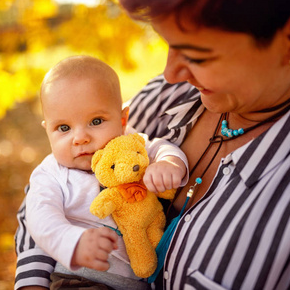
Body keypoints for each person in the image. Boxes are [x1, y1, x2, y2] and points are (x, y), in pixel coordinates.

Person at [15, 0, 290, 289]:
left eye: (197, 55)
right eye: (168, 43)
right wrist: (36, 276)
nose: (170, 73)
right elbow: (45, 194)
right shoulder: (168, 94)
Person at [24, 55, 188, 290]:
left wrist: (169, 163)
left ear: (123, 120)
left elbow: (160, 146)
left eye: (96, 121)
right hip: (80, 280)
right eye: (63, 128)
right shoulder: (50, 174)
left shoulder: (129, 145)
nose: (80, 137)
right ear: (47, 130)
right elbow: (41, 220)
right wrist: (73, 242)